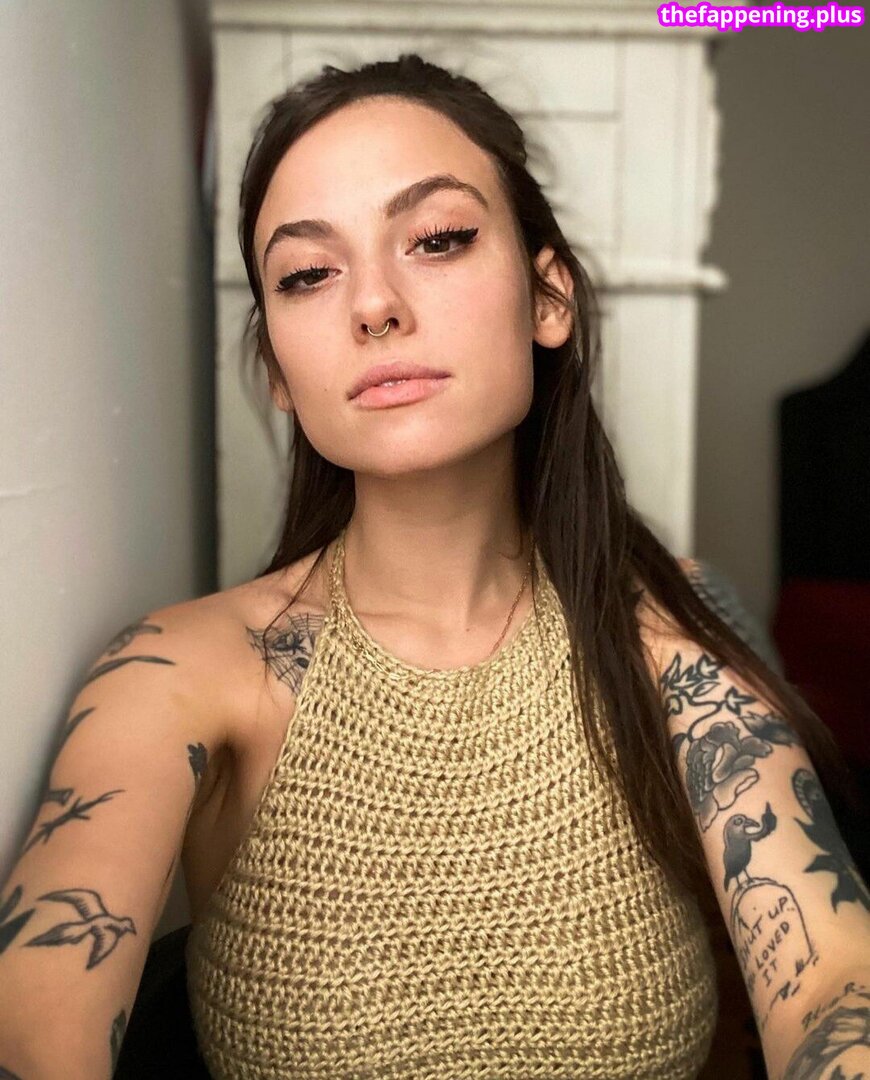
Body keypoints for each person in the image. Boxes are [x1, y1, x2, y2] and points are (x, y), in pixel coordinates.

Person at [1, 53, 868, 1080]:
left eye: (439, 239)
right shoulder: (179, 674)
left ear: (548, 299)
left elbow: (831, 980)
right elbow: (39, 1027)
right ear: (278, 367)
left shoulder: (669, 642)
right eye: (308, 274)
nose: (373, 304)